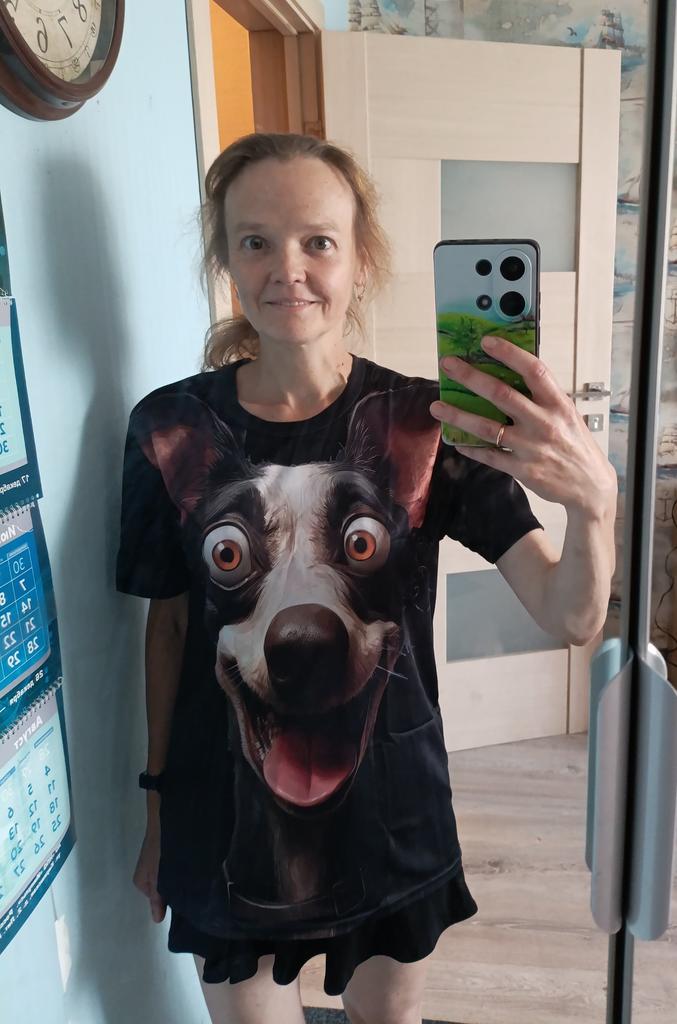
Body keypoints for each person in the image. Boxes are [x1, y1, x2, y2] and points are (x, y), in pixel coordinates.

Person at [116, 132, 617, 1024]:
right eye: (256, 240)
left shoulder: (426, 424)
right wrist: (158, 810)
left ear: (361, 258)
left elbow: (569, 614)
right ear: (225, 257)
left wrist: (594, 505)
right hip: (219, 811)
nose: (288, 269)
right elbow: (172, 627)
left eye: (318, 240)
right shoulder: (168, 427)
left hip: (392, 807)